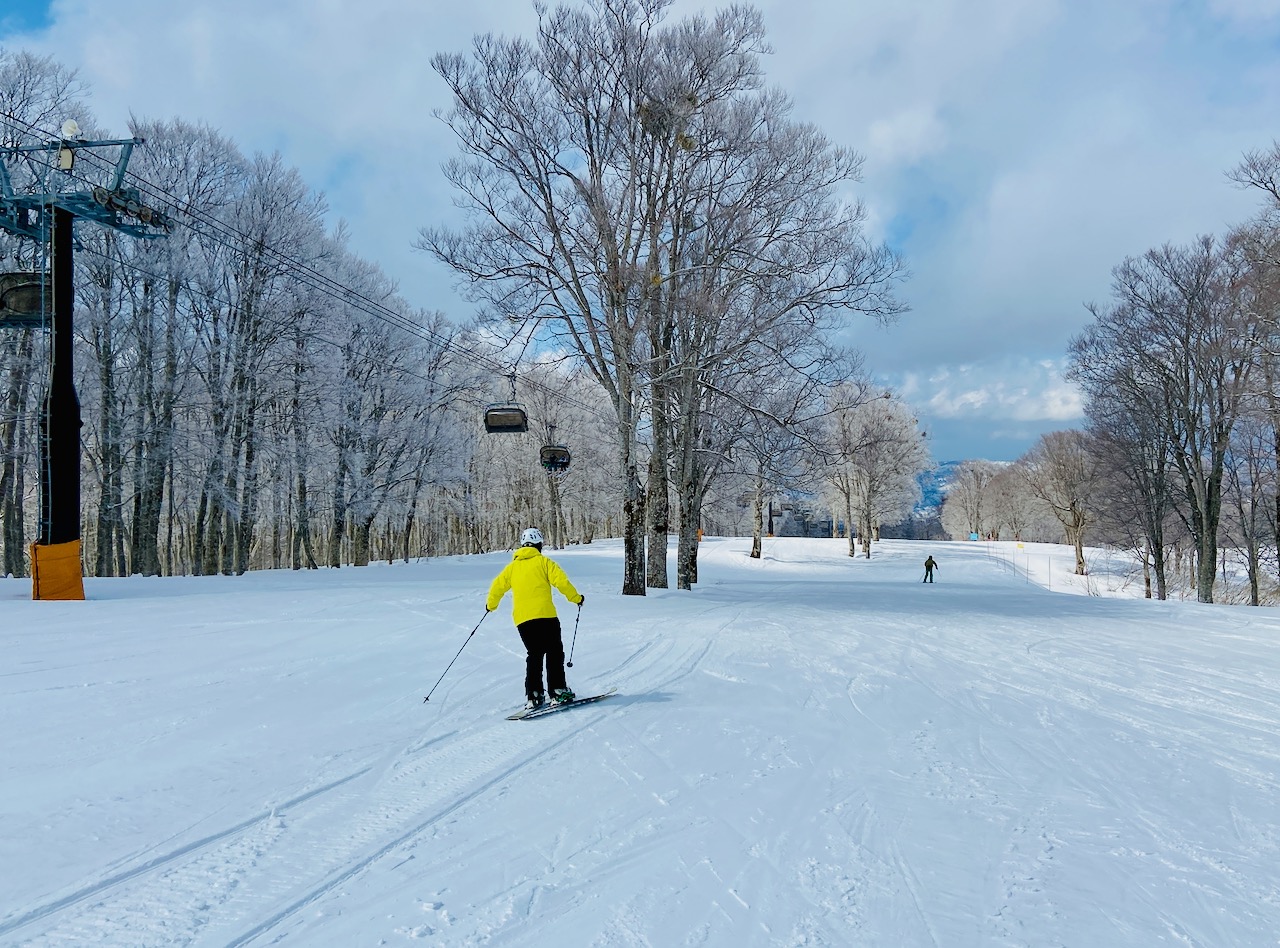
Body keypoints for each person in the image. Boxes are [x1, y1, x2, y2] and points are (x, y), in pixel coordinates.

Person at [486, 527, 584, 711]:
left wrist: (491, 606)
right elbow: (562, 582)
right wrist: (576, 598)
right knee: (554, 652)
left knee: (534, 655)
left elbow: (496, 587)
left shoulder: (511, 568)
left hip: (523, 621)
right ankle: (558, 691)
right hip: (546, 616)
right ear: (539, 544)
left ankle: (534, 695)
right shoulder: (545, 563)